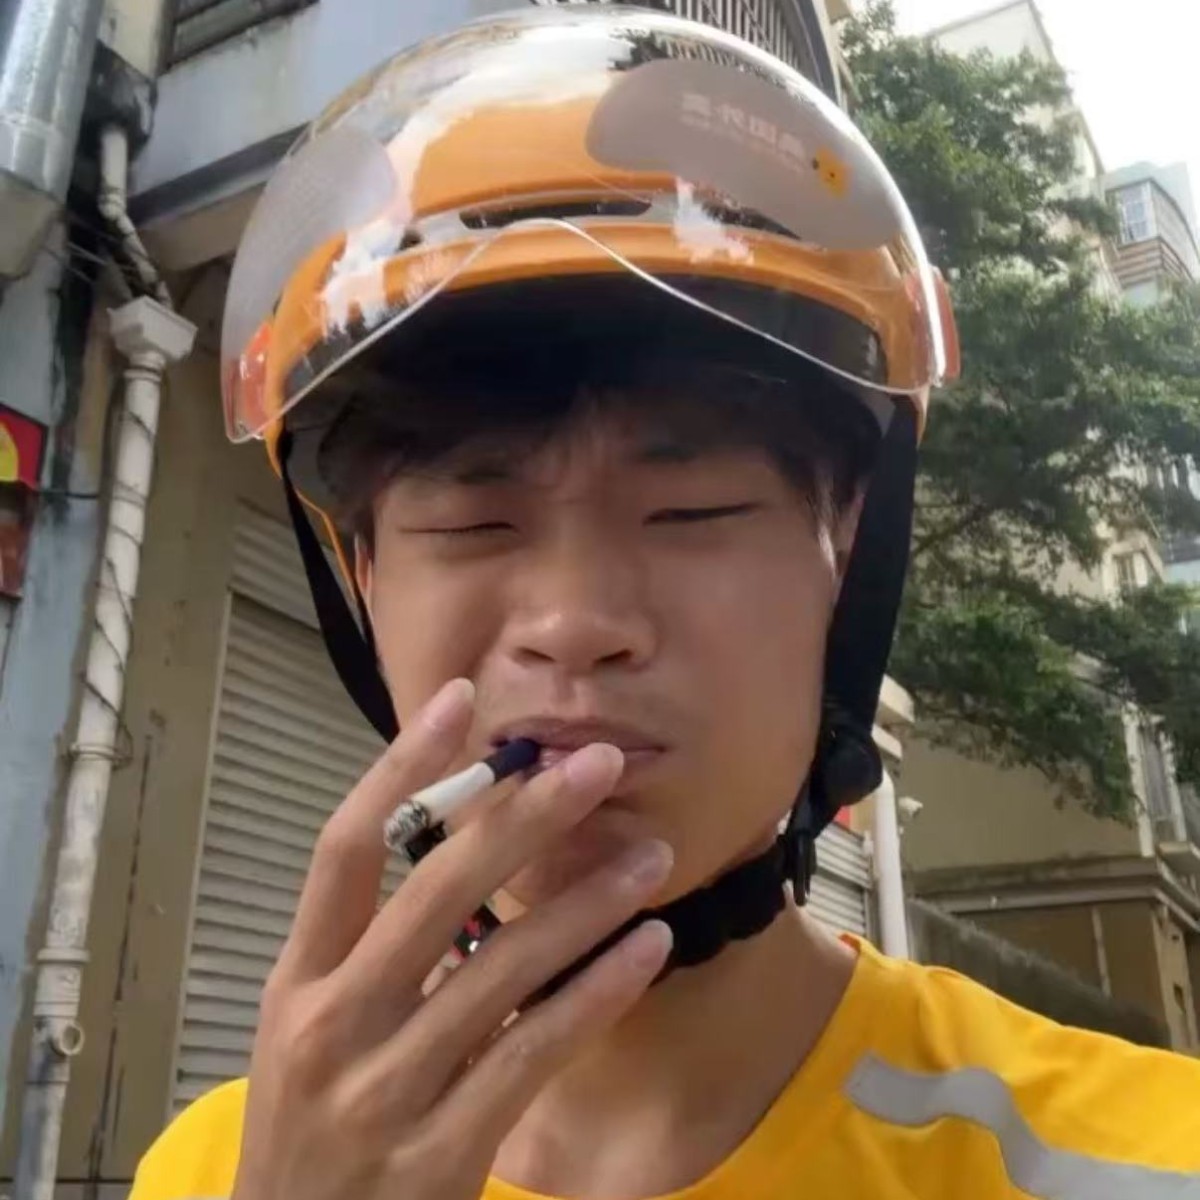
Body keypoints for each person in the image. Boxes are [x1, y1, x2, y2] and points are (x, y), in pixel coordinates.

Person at [131, 8, 1200, 1199]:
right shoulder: (218, 1171)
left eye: (691, 511)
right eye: (474, 523)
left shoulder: (1137, 1163)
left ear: (844, 558)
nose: (575, 624)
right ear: (364, 582)